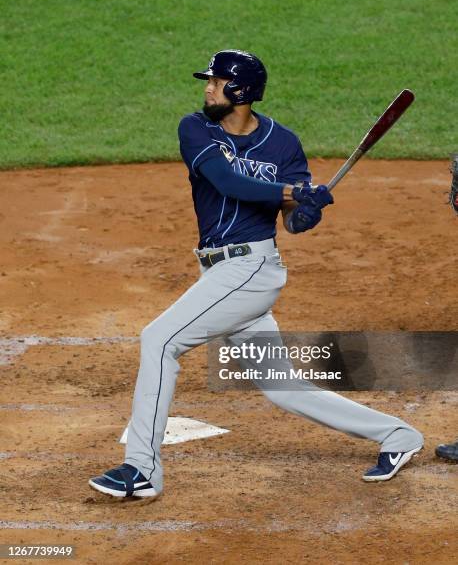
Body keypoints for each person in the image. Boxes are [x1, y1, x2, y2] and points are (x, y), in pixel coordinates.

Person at [89, 50, 424, 499]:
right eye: (207, 81)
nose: (207, 88)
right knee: (284, 388)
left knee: (159, 340)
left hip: (251, 271)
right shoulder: (196, 128)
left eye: (217, 82)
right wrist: (294, 190)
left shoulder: (283, 144)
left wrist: (307, 209)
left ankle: (142, 470)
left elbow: (293, 220)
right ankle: (398, 435)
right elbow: (229, 183)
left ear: (241, 91)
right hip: (221, 275)